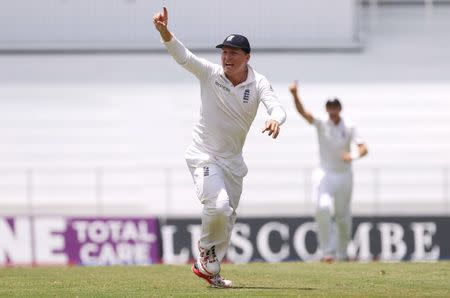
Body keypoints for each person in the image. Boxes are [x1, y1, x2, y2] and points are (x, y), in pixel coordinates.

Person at [153, 7, 286, 287]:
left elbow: (276, 106)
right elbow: (184, 57)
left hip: (232, 162)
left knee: (227, 218)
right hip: (204, 155)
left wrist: (275, 119)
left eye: (233, 53)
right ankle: (204, 254)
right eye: (224, 52)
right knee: (219, 205)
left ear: (247, 57)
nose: (226, 57)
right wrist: (166, 34)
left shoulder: (258, 82)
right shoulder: (210, 74)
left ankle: (212, 273)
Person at [289, 81, 368, 262]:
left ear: (339, 108)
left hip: (344, 175)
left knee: (342, 216)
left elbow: (364, 148)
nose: (332, 110)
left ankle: (342, 253)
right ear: (326, 109)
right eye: (329, 107)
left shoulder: (349, 126)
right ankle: (327, 252)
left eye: (335, 107)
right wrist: (294, 95)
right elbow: (303, 113)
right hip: (325, 174)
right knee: (322, 208)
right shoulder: (321, 123)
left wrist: (352, 156)